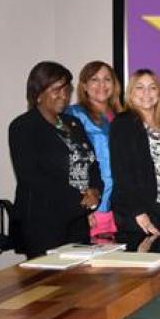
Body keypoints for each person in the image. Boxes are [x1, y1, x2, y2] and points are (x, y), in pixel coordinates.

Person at [9, 61, 101, 258]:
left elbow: (92, 163)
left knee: (80, 283)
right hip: (43, 223)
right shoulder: (23, 127)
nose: (64, 95)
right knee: (50, 286)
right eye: (56, 89)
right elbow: (31, 177)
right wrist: (79, 199)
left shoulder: (73, 123)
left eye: (67, 89)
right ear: (38, 93)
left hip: (77, 219)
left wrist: (95, 190)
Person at [110, 69, 160, 250]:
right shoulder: (124, 122)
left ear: (159, 93)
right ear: (131, 93)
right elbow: (122, 171)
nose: (146, 93)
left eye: (152, 88)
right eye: (140, 88)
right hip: (137, 212)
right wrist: (138, 212)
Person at [65, 61, 123, 238]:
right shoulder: (73, 115)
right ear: (84, 85)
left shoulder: (122, 117)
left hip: (121, 206)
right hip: (92, 203)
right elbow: (71, 165)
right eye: (94, 79)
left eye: (107, 79)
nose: (101, 85)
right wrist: (84, 208)